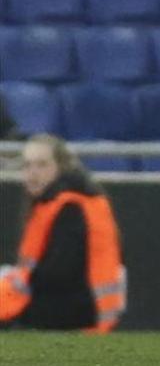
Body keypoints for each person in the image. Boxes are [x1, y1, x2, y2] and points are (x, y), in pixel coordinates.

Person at [0, 135, 125, 332]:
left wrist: (13, 280)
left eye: (42, 165)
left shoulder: (70, 208)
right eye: (28, 165)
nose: (33, 173)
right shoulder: (64, 201)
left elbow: (59, 272)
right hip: (78, 305)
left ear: (60, 167)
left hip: (78, 311)